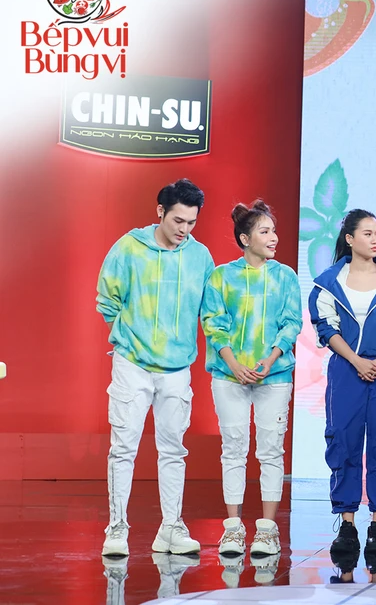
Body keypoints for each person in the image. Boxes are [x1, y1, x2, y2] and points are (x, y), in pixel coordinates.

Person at [96, 178, 215, 556]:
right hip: (132, 364)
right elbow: (107, 299)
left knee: (174, 450)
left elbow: (210, 310)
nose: (184, 229)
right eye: (178, 220)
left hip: (177, 368)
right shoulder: (129, 248)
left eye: (191, 222)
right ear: (160, 211)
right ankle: (116, 528)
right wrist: (128, 336)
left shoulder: (200, 257)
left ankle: (171, 528)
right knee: (123, 448)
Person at [310, 209, 376, 557]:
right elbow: (326, 327)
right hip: (346, 370)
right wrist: (357, 361)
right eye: (368, 234)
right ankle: (346, 523)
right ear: (350, 239)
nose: (375, 240)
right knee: (343, 440)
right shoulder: (328, 282)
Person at [200, 200, 302, 557]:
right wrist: (233, 364)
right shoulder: (221, 277)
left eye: (274, 231)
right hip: (229, 378)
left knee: (271, 450)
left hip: (274, 376)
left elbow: (292, 322)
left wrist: (270, 359)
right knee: (233, 448)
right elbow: (213, 323)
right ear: (245, 239)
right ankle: (233, 530)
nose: (274, 238)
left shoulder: (285, 276)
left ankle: (267, 531)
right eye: (265, 231)